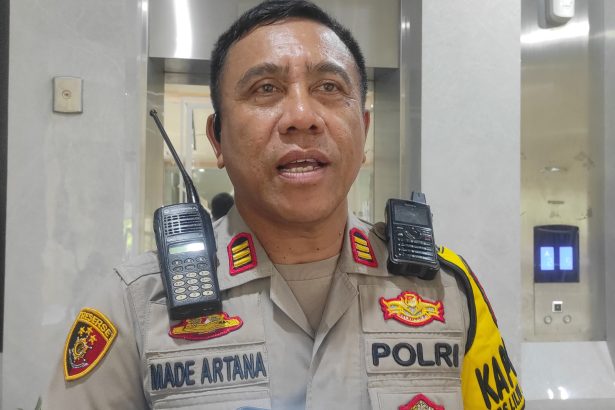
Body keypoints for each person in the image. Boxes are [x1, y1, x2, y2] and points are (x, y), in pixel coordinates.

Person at [43, 1, 525, 409]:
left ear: (363, 131)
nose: (301, 116)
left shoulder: (447, 290)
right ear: (217, 138)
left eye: (329, 87)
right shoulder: (135, 305)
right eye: (266, 89)